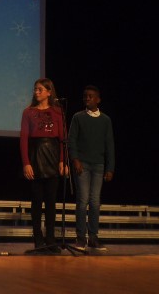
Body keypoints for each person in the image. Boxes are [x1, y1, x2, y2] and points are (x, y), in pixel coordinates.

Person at [20, 78, 67, 253]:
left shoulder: (57, 112)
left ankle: (50, 240)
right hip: (36, 158)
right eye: (35, 89)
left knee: (51, 202)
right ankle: (38, 240)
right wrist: (26, 163)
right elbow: (24, 140)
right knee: (36, 202)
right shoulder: (28, 112)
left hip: (52, 158)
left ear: (49, 92)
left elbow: (62, 139)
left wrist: (62, 160)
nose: (36, 92)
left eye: (40, 89)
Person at [68, 85, 115, 252]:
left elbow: (109, 144)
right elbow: (72, 140)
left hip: (98, 165)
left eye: (90, 96)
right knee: (83, 201)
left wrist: (110, 168)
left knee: (95, 202)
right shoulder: (78, 117)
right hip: (83, 164)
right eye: (85, 96)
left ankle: (93, 238)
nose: (87, 98)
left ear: (98, 99)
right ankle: (81, 238)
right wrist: (75, 159)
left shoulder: (105, 120)